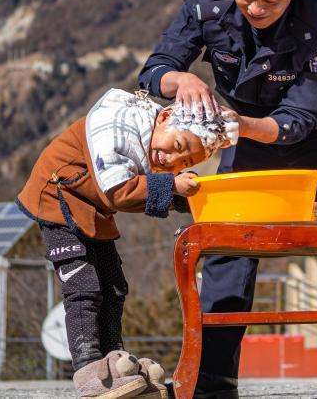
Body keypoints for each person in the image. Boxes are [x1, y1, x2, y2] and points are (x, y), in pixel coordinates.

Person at [138, 0, 317, 399]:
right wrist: (182, 79)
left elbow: (301, 119)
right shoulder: (207, 2)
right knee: (226, 248)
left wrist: (243, 125)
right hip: (239, 138)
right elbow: (154, 70)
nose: (256, 7)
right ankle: (214, 381)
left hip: (310, 150)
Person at [16, 88, 238, 399]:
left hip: (93, 208)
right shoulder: (117, 127)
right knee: (83, 287)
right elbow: (119, 191)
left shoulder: (149, 138)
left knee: (115, 286)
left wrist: (193, 200)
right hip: (58, 200)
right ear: (164, 117)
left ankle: (117, 365)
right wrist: (172, 185)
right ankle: (90, 371)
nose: (171, 160)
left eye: (184, 161)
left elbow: (136, 192)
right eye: (177, 146)